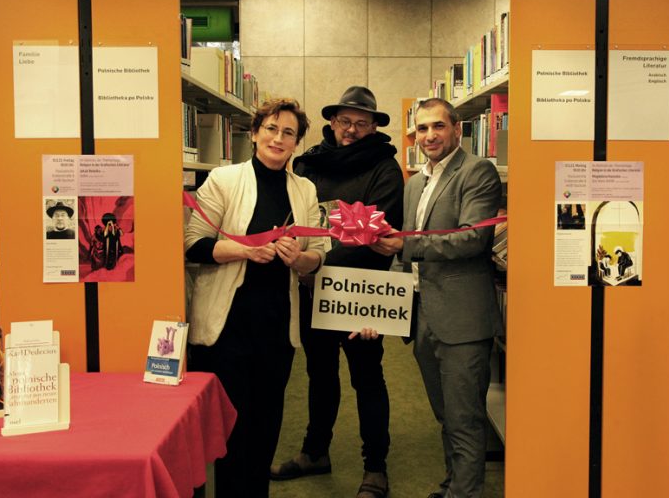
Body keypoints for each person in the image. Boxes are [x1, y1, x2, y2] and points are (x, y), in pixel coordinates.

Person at [184, 98, 326, 498]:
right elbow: (193, 244)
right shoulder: (223, 180)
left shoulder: (305, 189)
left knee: (265, 428)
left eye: (288, 133)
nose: (278, 139)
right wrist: (244, 250)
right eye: (271, 129)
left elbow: (319, 256)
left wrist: (299, 259)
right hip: (227, 328)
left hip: (277, 327)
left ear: (296, 143)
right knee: (232, 434)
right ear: (254, 133)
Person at [270, 86, 404, 498]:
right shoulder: (308, 164)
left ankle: (376, 467)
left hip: (362, 291)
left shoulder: (385, 168)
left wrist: (317, 254)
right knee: (320, 374)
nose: (351, 130)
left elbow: (377, 235)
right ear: (332, 122)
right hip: (313, 287)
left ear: (374, 127)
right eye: (345, 121)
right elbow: (294, 221)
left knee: (368, 378)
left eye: (362, 123)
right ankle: (315, 452)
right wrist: (311, 259)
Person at [373, 98, 503, 498]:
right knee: (445, 414)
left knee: (465, 418)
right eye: (422, 129)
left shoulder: (477, 171)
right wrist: (385, 309)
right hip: (424, 316)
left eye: (438, 126)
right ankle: (453, 486)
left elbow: (472, 238)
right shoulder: (415, 182)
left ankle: (464, 493)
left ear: (457, 129)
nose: (429, 136)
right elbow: (406, 254)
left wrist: (404, 245)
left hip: (462, 320)